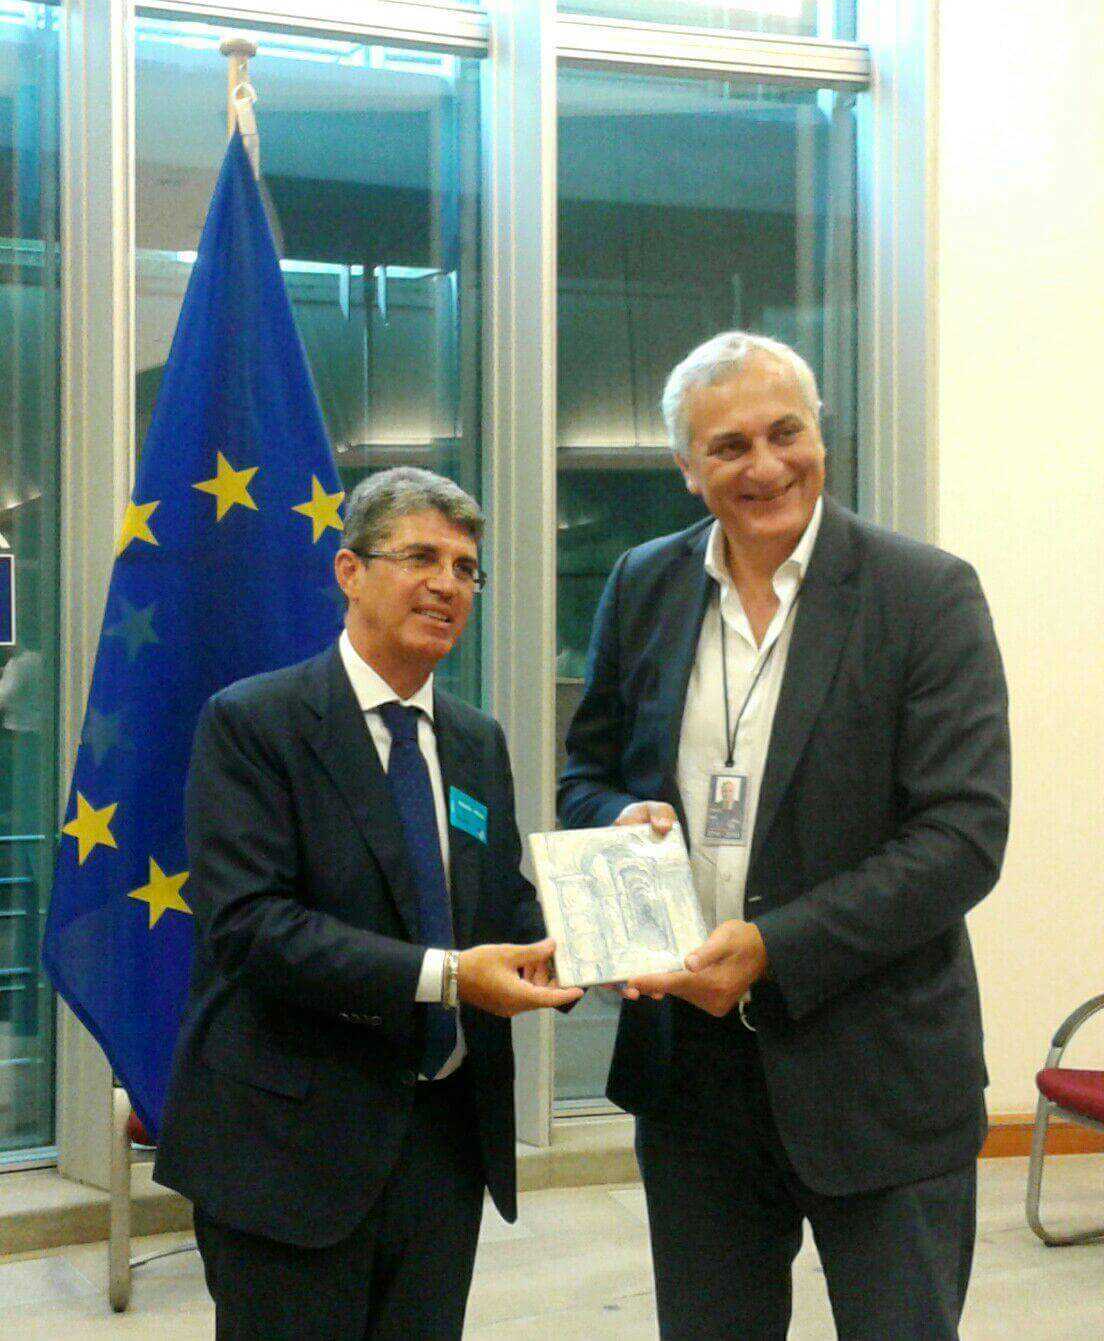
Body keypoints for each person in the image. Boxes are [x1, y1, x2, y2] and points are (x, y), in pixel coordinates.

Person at [558, 332, 1010, 1340]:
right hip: (692, 1077)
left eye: (785, 432)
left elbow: (963, 835)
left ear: (821, 437)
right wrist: (614, 818)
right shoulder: (642, 583)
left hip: (880, 1070)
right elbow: (586, 773)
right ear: (687, 467)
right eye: (729, 446)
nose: (765, 465)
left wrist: (772, 948)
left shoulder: (925, 592)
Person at [155, 467, 581, 1340]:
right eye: (420, 557)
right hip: (288, 1149)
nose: (447, 584)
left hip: (443, 1149)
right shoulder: (255, 722)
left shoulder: (475, 739)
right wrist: (450, 977)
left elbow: (501, 905)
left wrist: (603, 935)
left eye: (465, 568)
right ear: (349, 571)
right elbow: (250, 928)